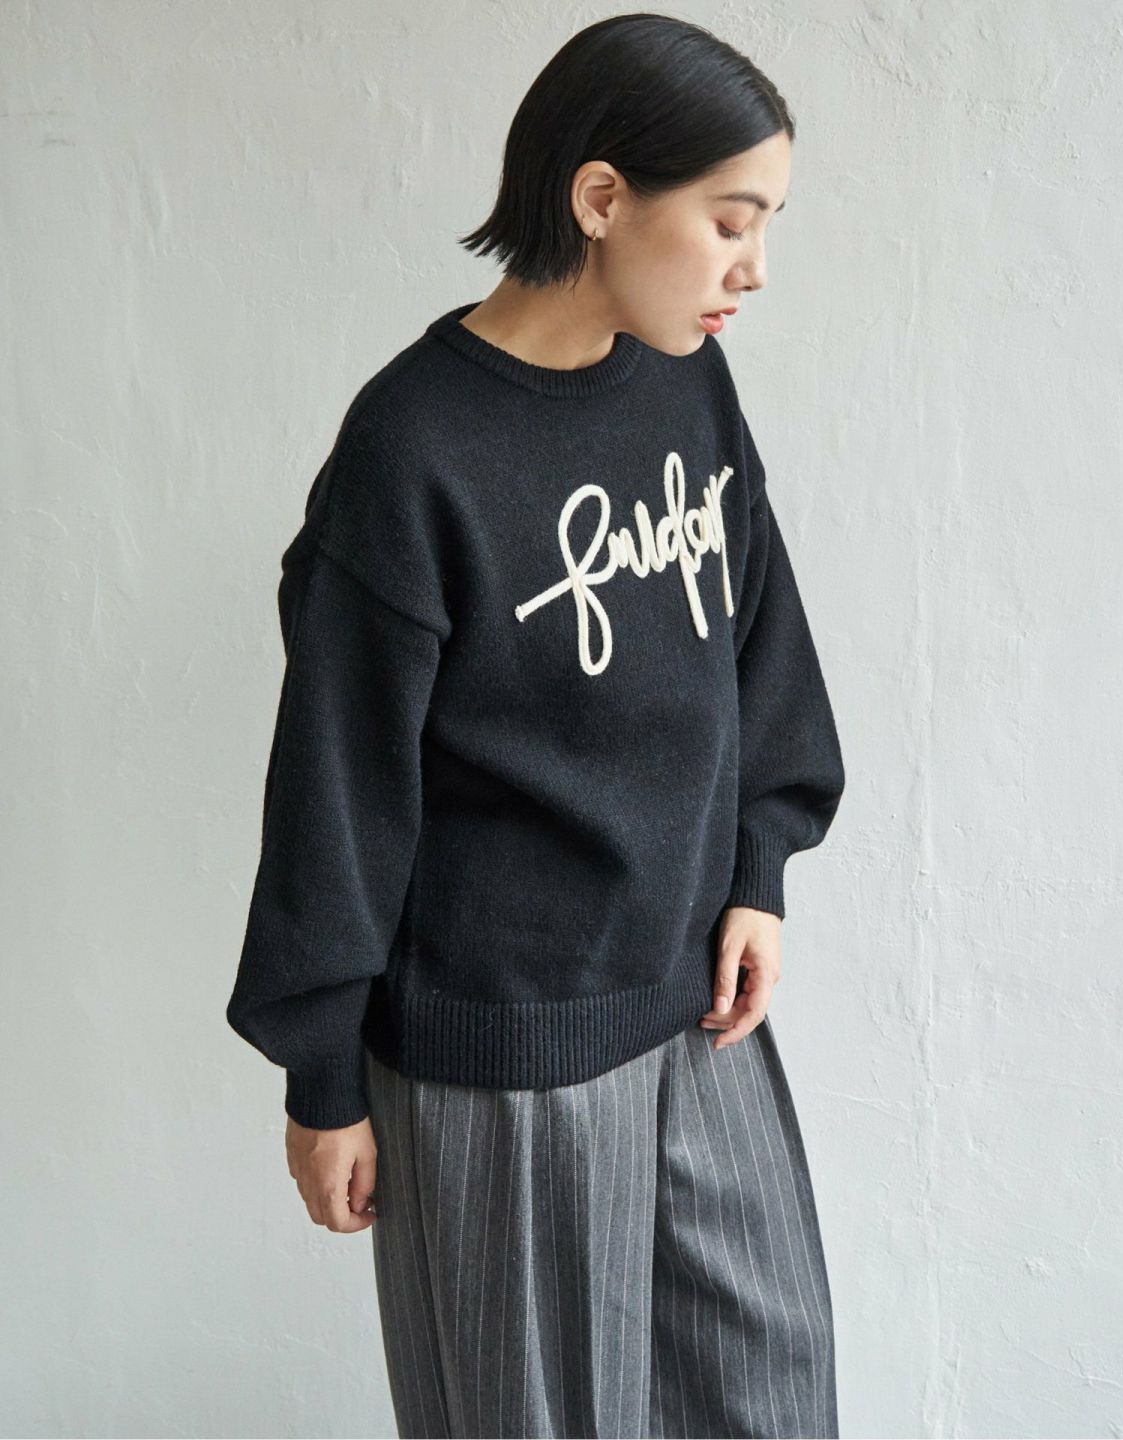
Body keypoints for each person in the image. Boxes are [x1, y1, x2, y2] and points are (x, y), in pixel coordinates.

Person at [226, 12, 847, 1438]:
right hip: (503, 1056)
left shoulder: (684, 374)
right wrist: (323, 1075)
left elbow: (757, 631)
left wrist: (759, 867)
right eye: (731, 221)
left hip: (699, 1010)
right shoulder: (414, 449)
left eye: (768, 224)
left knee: (769, 1392)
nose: (754, 266)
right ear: (602, 197)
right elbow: (337, 780)